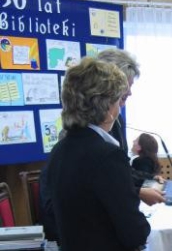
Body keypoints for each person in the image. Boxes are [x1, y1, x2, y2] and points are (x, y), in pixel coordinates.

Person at [46, 58, 150, 251]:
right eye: (118, 100)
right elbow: (135, 233)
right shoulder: (108, 156)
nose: (119, 108)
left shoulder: (59, 150)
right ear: (105, 105)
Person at [97, 49, 165, 205]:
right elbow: (96, 181)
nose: (130, 92)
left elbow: (120, 169)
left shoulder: (117, 119)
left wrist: (147, 179)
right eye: (127, 85)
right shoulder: (80, 128)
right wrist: (137, 191)